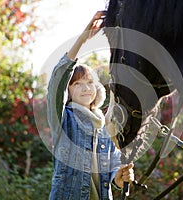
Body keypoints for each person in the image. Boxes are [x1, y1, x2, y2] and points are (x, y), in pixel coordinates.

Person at [47, 11, 134, 200]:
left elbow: (113, 174)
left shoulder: (105, 128)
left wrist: (121, 177)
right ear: (68, 91)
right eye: (77, 84)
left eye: (89, 82)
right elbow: (58, 80)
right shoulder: (63, 119)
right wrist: (82, 40)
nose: (85, 88)